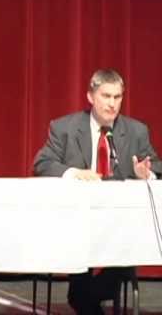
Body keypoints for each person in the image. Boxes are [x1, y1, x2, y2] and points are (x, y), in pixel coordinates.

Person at [33, 68, 162, 314]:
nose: (112, 104)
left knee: (89, 289)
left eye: (117, 97)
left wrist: (145, 173)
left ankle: (82, 295)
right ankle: (84, 296)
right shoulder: (65, 128)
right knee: (83, 283)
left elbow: (154, 164)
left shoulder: (136, 131)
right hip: (77, 223)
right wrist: (74, 172)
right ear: (91, 97)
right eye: (106, 96)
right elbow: (41, 163)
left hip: (121, 225)